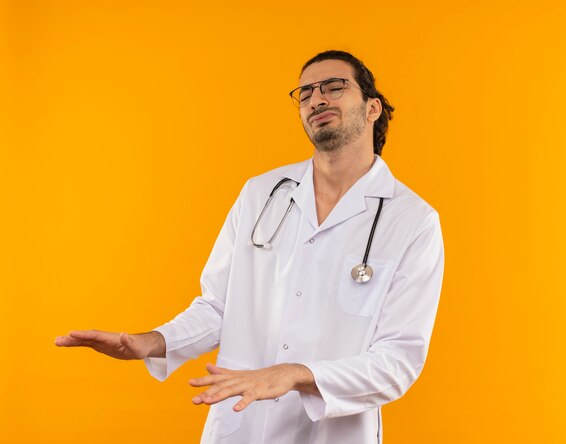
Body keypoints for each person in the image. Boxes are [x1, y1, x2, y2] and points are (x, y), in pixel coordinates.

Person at [55, 50, 445, 444]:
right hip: (241, 426)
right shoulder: (261, 194)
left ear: (372, 107)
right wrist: (152, 342)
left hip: (332, 434)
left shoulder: (412, 220)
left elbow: (397, 362)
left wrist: (294, 373)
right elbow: (218, 307)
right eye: (306, 92)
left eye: (334, 87)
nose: (317, 99)